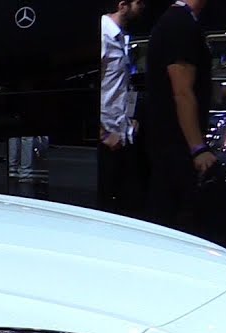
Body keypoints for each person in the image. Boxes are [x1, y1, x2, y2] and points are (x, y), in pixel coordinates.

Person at [145, 0, 226, 235]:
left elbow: (192, 89)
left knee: (172, 223)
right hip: (177, 147)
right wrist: (198, 149)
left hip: (175, 147)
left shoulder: (183, 22)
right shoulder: (179, 24)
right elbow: (182, 92)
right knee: (215, 225)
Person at [99, 0, 145, 213]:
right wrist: (103, 134)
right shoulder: (103, 35)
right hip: (107, 139)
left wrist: (128, 122)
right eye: (138, 2)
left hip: (122, 134)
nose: (142, 6)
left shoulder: (121, 37)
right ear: (122, 5)